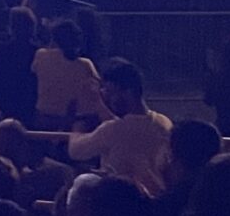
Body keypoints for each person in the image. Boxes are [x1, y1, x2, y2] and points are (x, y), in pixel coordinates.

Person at [65, 60, 172, 194]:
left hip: (122, 201)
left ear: (128, 92)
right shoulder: (163, 122)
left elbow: (76, 151)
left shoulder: (113, 130)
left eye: (110, 92)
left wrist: (78, 124)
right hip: (155, 199)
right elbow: (127, 126)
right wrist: (98, 104)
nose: (106, 97)